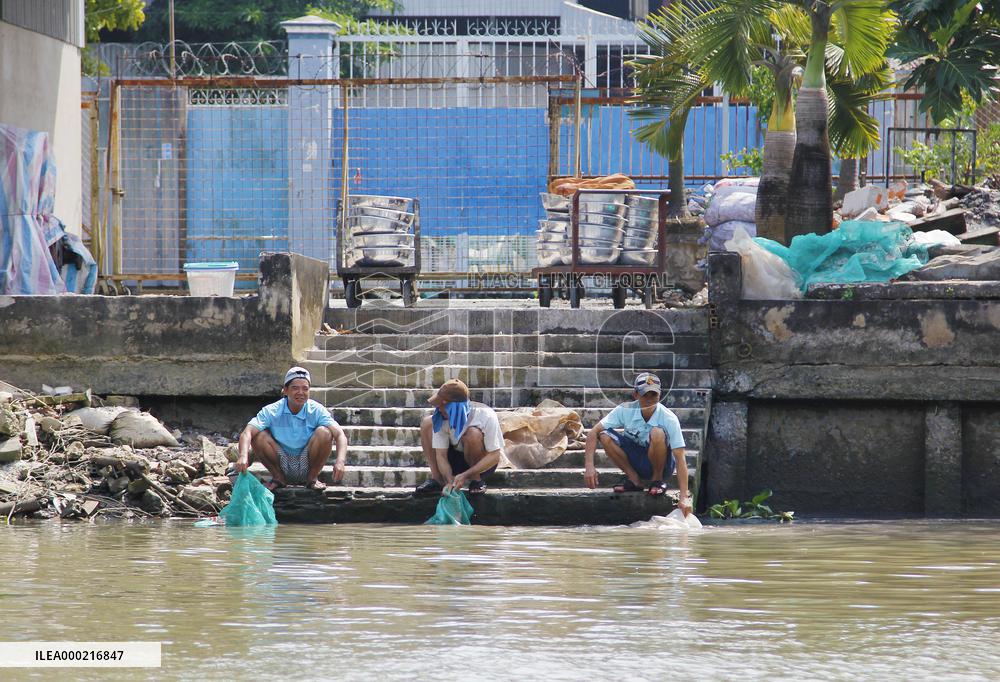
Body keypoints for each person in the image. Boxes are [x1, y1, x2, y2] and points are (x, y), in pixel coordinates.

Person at [583, 372, 691, 515]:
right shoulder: (625, 410)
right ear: (635, 395)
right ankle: (635, 480)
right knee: (604, 435)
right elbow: (593, 432)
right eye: (645, 395)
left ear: (660, 396)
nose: (649, 400)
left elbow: (680, 457)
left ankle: (657, 480)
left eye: (654, 395)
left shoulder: (669, 418)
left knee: (657, 432)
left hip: (662, 463)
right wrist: (589, 467)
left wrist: (684, 497)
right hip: (637, 459)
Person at [234, 366, 348, 492]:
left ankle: (312, 479)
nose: (300, 392)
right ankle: (278, 478)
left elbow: (340, 435)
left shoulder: (316, 410)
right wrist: (243, 456)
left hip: (307, 460)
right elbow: (247, 432)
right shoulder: (272, 410)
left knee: (325, 433)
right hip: (281, 460)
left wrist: (340, 461)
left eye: (305, 389)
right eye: (295, 388)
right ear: (285, 391)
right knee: (258, 435)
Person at [413, 378, 502, 496]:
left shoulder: (486, 414)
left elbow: (495, 456)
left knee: (472, 434)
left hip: (481, 464)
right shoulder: (440, 417)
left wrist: (465, 475)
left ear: (455, 407)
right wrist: (450, 482)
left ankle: (476, 480)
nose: (438, 408)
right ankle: (438, 480)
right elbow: (441, 455)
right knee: (427, 423)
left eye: (442, 405)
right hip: (455, 460)